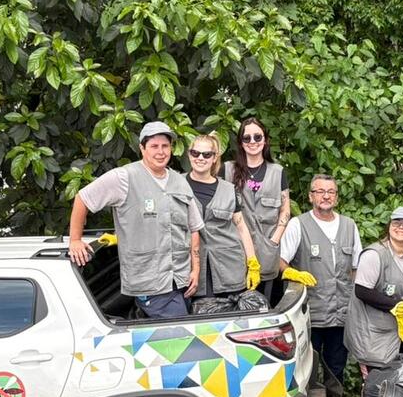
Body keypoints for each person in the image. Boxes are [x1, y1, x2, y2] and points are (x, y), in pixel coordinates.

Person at [69, 121, 203, 318]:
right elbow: (83, 198)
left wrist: (195, 270)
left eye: (165, 146)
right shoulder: (124, 177)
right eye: (154, 146)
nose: (160, 152)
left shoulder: (179, 182)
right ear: (142, 148)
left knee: (169, 342)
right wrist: (75, 239)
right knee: (180, 341)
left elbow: (194, 228)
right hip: (149, 283)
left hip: (180, 281)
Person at [279, 174, 363, 397]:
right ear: (310, 196)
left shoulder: (349, 225)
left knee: (337, 367)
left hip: (340, 315)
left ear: (336, 197)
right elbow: (281, 263)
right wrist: (294, 274)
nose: (326, 196)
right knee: (306, 369)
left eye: (331, 192)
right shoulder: (299, 225)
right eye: (320, 191)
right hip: (310, 315)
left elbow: (356, 268)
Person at [345, 207, 403, 381]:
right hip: (373, 334)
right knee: (374, 385)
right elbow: (362, 291)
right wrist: (396, 306)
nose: (401, 227)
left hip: (400, 335)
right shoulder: (374, 255)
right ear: (389, 226)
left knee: (396, 384)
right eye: (397, 223)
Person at [184, 132, 260, 298]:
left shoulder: (228, 189)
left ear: (214, 158)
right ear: (189, 155)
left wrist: (252, 263)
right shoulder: (177, 185)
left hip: (229, 267)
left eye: (207, 154)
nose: (200, 158)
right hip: (193, 269)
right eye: (195, 153)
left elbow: (241, 227)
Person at [223, 117, 291, 303]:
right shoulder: (228, 170)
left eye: (257, 137)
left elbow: (285, 209)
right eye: (247, 138)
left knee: (267, 305)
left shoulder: (278, 171)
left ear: (265, 140)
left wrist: (274, 240)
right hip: (235, 251)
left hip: (267, 251)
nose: (253, 142)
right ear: (240, 142)